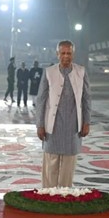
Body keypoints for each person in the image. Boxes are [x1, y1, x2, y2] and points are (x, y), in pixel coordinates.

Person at [36, 40, 91, 188]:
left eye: (69, 53)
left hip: (73, 125)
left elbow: (86, 100)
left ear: (73, 54)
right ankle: (48, 194)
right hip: (52, 125)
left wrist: (86, 122)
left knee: (68, 164)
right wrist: (40, 125)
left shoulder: (81, 71)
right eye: (63, 53)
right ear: (57, 54)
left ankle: (65, 195)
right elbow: (41, 100)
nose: (66, 56)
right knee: (51, 162)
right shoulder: (49, 72)